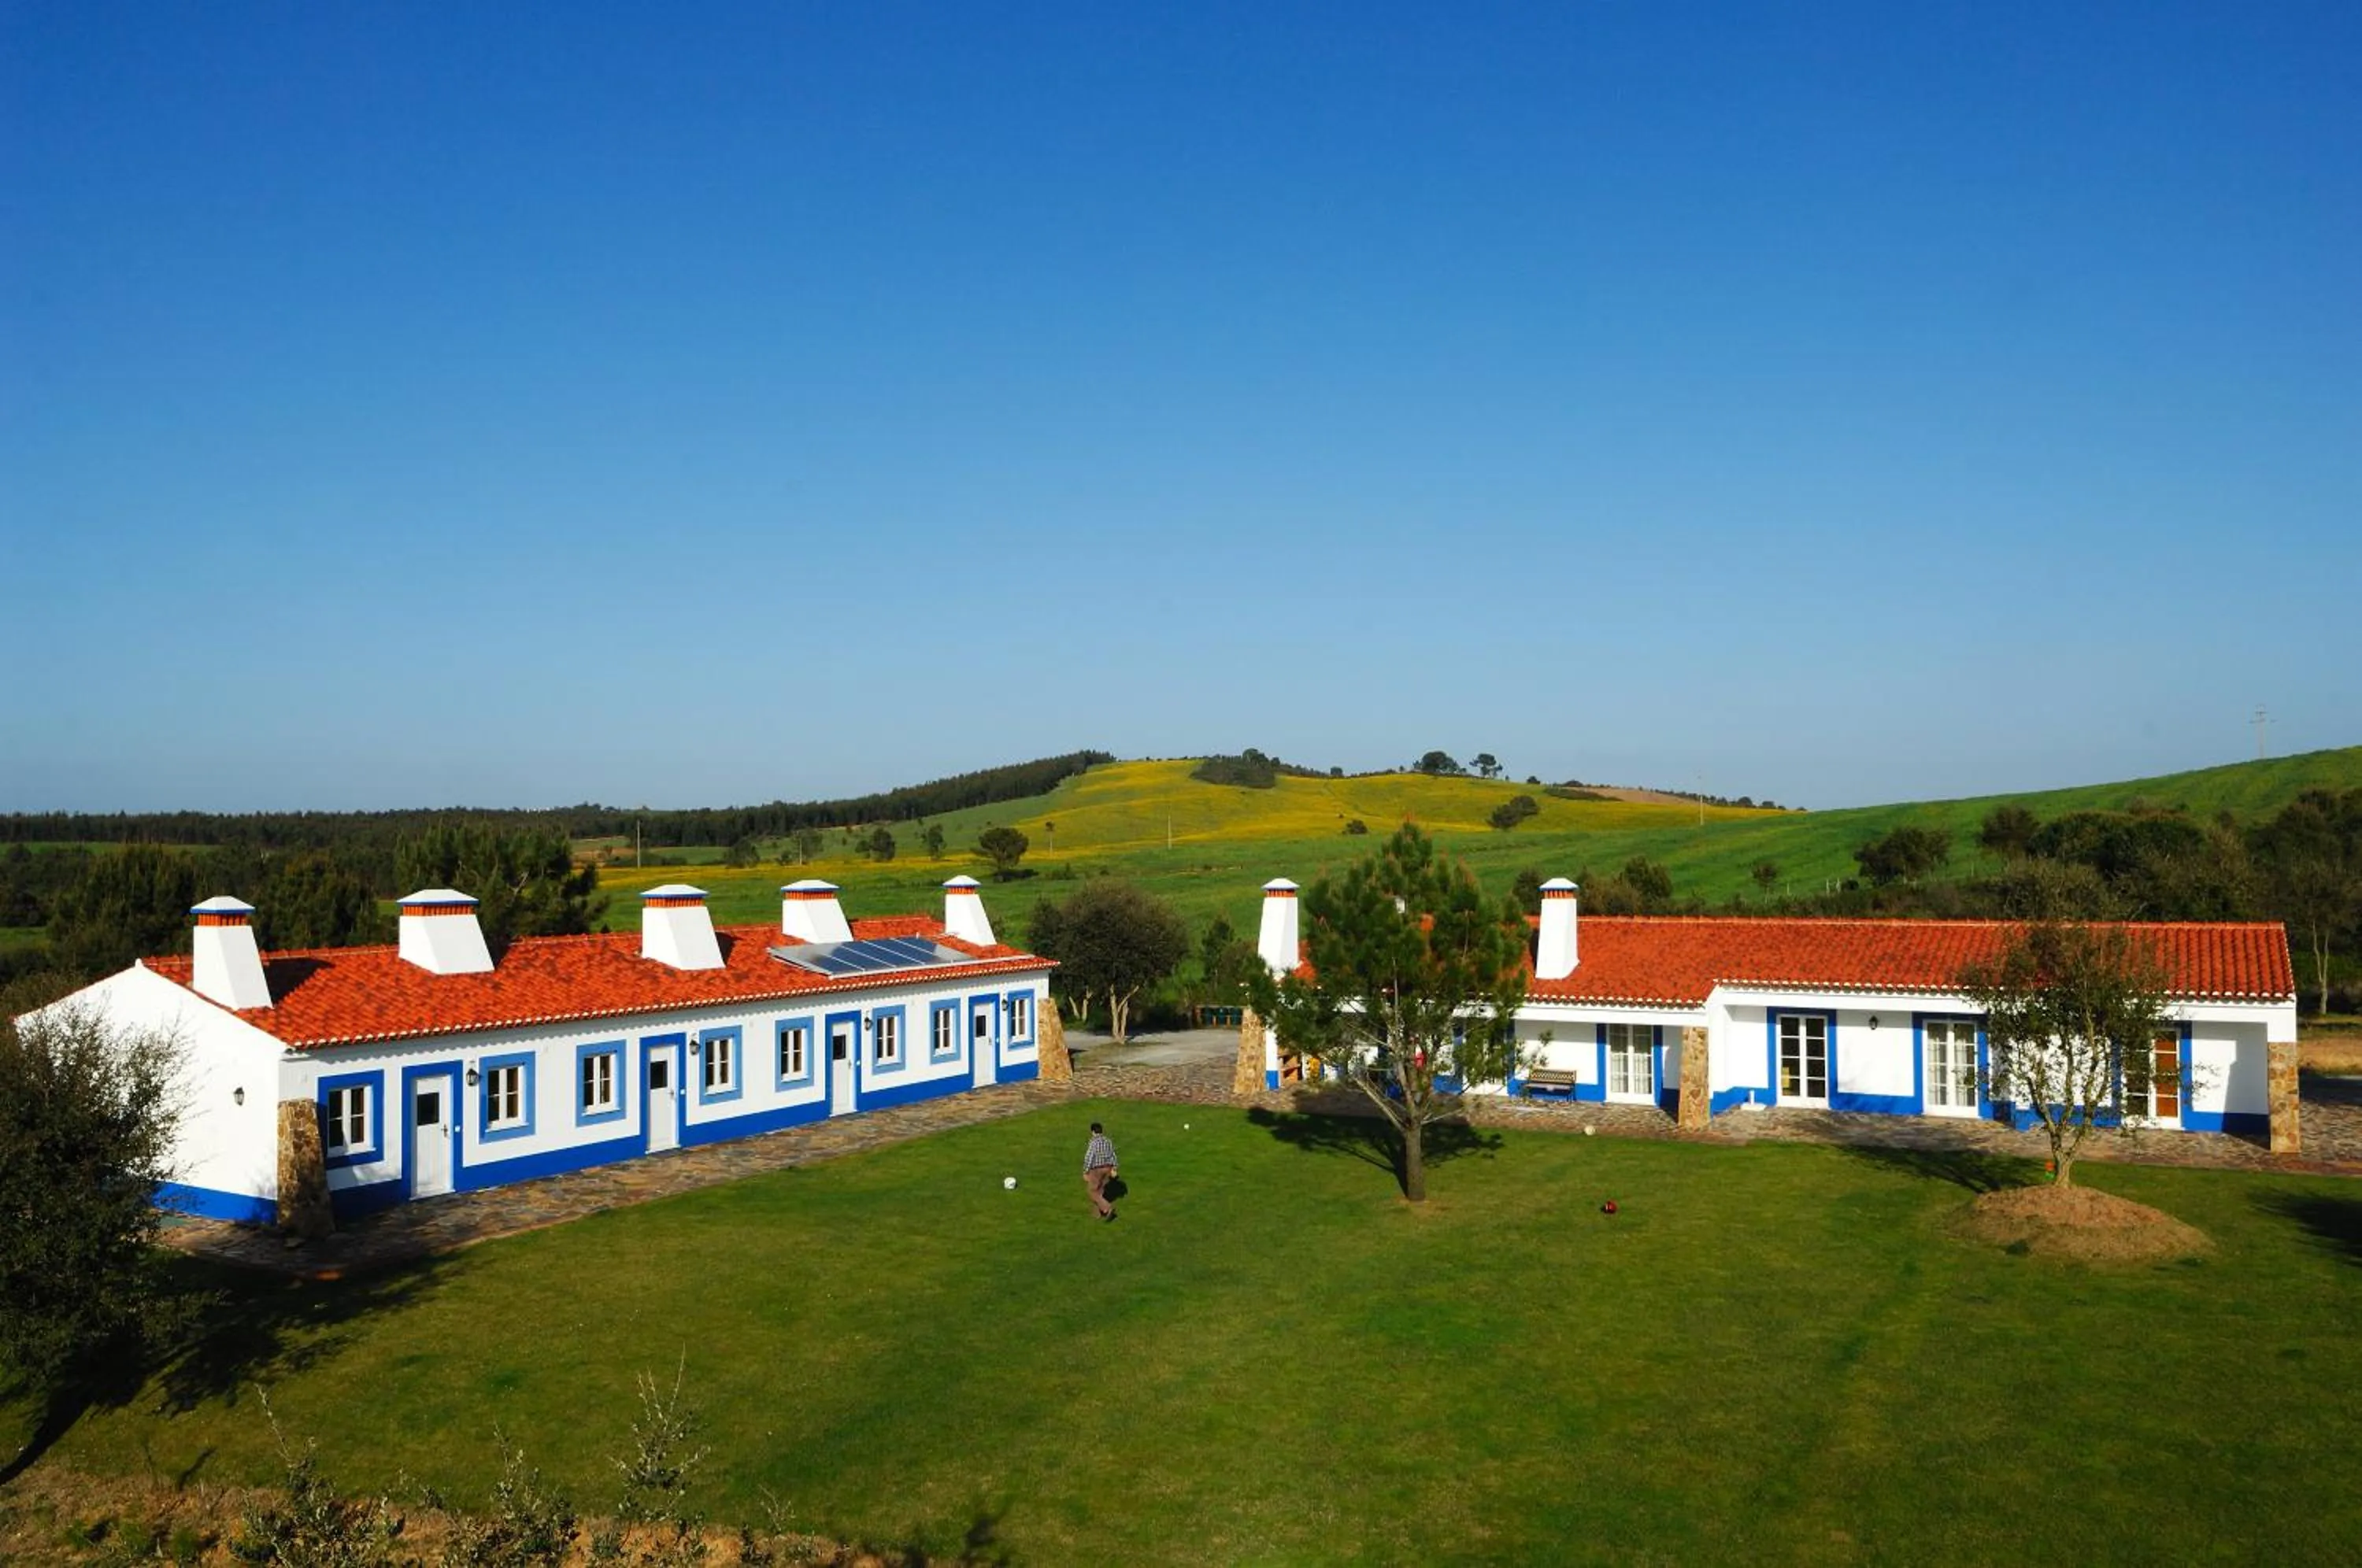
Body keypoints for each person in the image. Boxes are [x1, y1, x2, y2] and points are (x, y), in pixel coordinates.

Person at [1082, 1120, 1119, 1222]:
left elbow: (1089, 1157)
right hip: (1107, 1168)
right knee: (1100, 1191)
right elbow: (1113, 1154)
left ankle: (1107, 1208)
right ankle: (1098, 1213)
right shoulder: (1108, 1141)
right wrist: (1114, 1167)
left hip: (1096, 1170)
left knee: (1092, 1191)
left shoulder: (1093, 1143)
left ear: (1093, 1132)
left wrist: (1085, 1171)